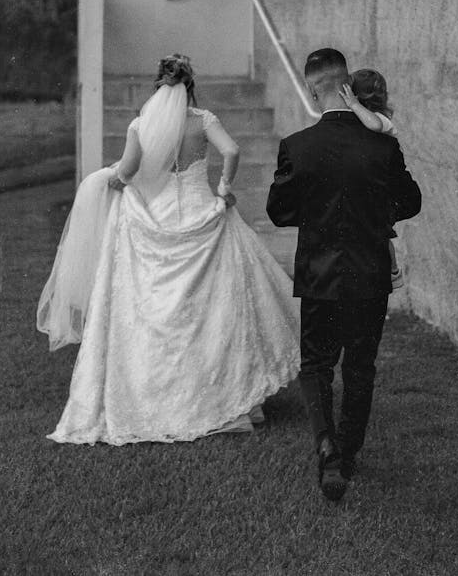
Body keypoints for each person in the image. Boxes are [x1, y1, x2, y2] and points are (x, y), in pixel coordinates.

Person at [37, 54, 300, 445]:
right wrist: (224, 189)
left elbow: (126, 172)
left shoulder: (142, 125)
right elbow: (231, 151)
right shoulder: (204, 120)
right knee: (214, 309)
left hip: (153, 219)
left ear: (159, 87)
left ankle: (150, 396)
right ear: (190, 86)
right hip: (202, 214)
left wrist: (113, 181)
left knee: (148, 308)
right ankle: (226, 396)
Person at [266, 48, 421, 501]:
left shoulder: (297, 146)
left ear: (314, 88)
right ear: (346, 83)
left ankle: (327, 447)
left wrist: (319, 212)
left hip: (318, 274)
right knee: (360, 366)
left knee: (316, 364)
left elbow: (279, 212)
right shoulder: (383, 143)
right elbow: (410, 202)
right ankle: (348, 452)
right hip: (369, 274)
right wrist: (373, 213)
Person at [339, 69, 403, 289]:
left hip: (382, 187)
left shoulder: (381, 120)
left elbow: (374, 125)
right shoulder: (363, 120)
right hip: (370, 186)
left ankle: (393, 270)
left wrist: (353, 105)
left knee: (382, 234)